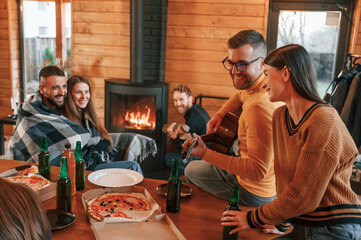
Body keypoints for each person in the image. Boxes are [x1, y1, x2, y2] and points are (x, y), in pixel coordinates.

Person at [220, 44, 361, 238]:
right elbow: (286, 179)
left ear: (285, 73)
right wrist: (281, 221)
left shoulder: (323, 120)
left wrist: (251, 219)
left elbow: (304, 195)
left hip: (334, 226)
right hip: (303, 224)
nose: (263, 83)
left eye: (267, 73)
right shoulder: (280, 116)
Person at [184, 30, 280, 207]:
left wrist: (206, 154)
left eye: (242, 64)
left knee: (190, 169)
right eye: (231, 63)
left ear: (262, 63)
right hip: (268, 184)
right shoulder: (262, 85)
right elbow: (240, 96)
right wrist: (220, 114)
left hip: (254, 192)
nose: (235, 71)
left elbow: (257, 171)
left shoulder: (258, 108)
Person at [6, 66, 150, 174]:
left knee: (131, 164)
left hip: (82, 164)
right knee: (133, 167)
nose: (62, 92)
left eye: (64, 87)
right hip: (71, 170)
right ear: (42, 90)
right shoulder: (33, 114)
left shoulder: (79, 114)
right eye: (56, 88)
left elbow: (89, 139)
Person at [61, 75, 144, 172]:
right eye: (78, 92)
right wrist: (98, 147)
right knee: (133, 166)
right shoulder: (66, 120)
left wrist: (99, 146)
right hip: (87, 168)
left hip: (98, 161)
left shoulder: (87, 116)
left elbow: (101, 140)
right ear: (70, 95)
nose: (84, 96)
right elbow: (78, 152)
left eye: (86, 92)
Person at [164, 84, 210, 175]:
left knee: (168, 158)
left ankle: (189, 176)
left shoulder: (193, 120)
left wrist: (174, 138)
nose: (178, 104)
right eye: (175, 100)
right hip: (203, 149)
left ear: (190, 99)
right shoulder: (195, 110)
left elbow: (187, 151)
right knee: (178, 150)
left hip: (205, 158)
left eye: (181, 99)